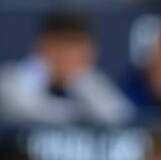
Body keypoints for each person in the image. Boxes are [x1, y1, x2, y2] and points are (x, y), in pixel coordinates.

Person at [0, 12, 134, 127]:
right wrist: (78, 113)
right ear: (43, 46)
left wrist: (78, 82)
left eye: (79, 49)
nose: (70, 57)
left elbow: (121, 116)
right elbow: (22, 110)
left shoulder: (89, 80)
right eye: (63, 47)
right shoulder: (14, 77)